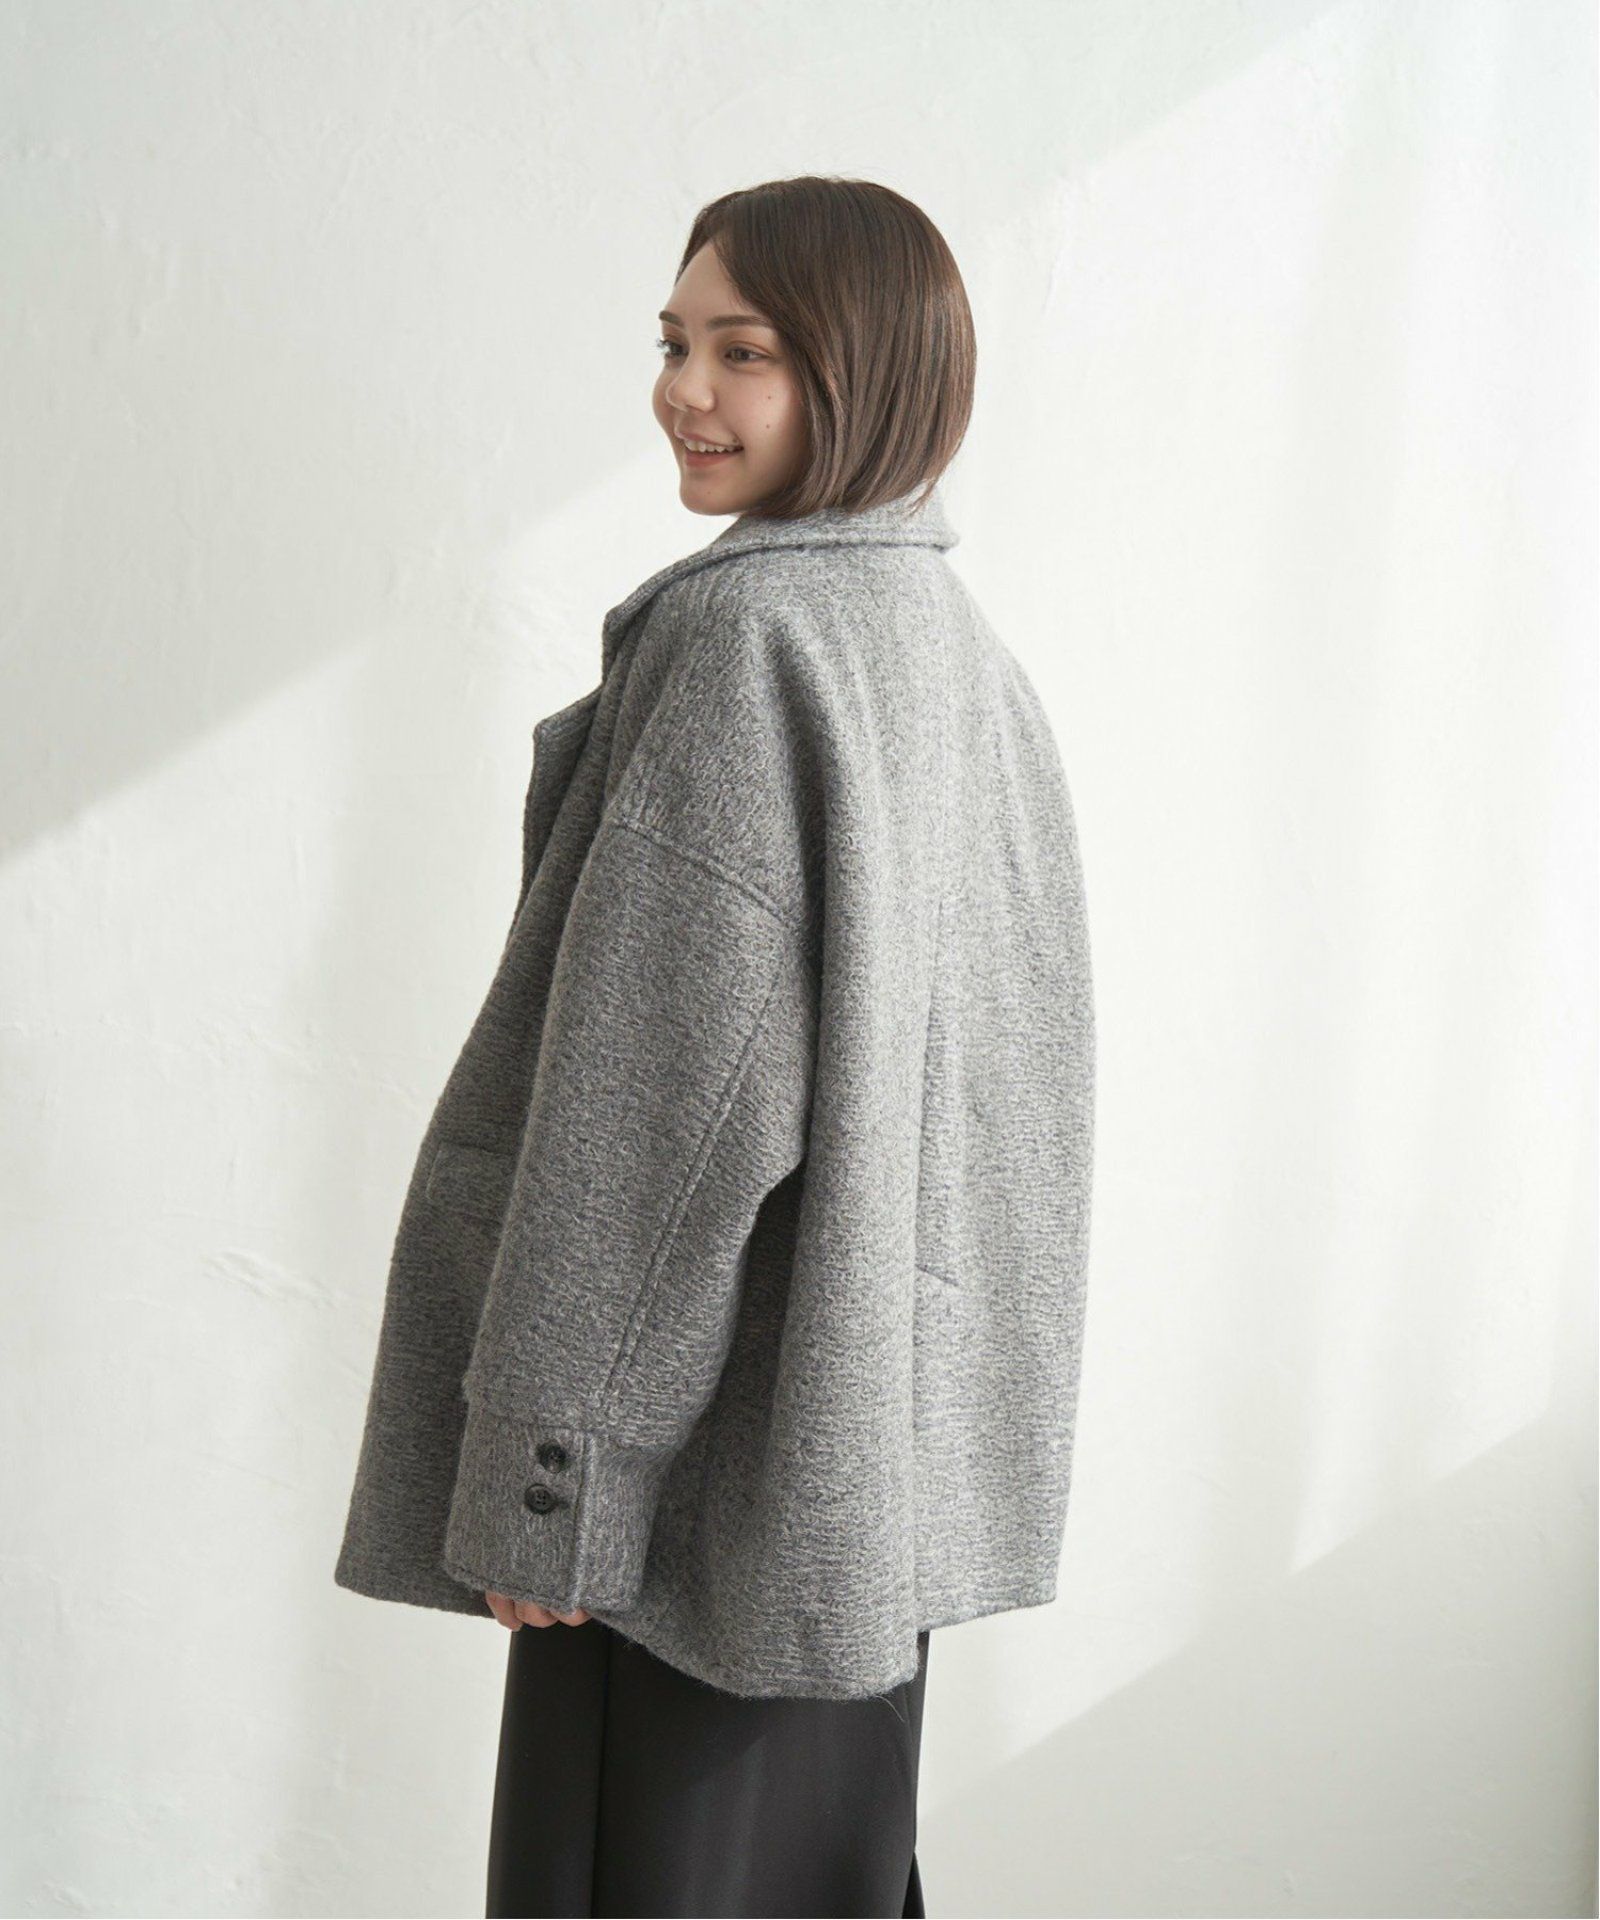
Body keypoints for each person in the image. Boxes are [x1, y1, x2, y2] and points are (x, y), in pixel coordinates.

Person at [335, 174, 1096, 1919]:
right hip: (855, 1511)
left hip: (696, 1516)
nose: (686, 391)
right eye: (675, 342)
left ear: (867, 369)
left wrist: (558, 1486)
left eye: (743, 351)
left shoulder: (750, 641)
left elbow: (655, 1129)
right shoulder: (961, 660)